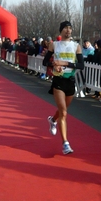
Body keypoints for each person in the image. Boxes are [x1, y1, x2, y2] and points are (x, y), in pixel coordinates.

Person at [42, 21, 84, 155]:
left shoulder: (76, 46)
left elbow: (81, 65)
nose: (68, 31)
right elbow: (45, 61)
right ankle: (65, 144)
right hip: (58, 80)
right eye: (66, 28)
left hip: (70, 81)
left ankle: (53, 120)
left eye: (70, 28)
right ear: (61, 30)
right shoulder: (54, 45)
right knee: (64, 113)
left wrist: (64, 63)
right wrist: (54, 65)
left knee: (62, 111)